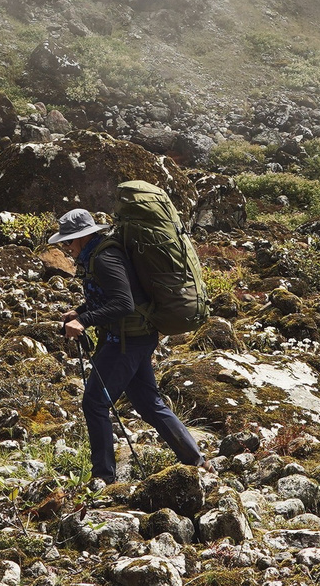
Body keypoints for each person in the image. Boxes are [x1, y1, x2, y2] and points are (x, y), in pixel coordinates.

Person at [46, 206, 203, 487]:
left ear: (84, 237)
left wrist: (84, 320)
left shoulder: (105, 258)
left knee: (94, 402)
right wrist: (79, 311)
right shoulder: (98, 254)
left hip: (126, 341)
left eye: (68, 241)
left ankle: (103, 477)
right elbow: (116, 296)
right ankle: (197, 462)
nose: (65, 248)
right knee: (148, 402)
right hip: (135, 336)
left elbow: (123, 304)